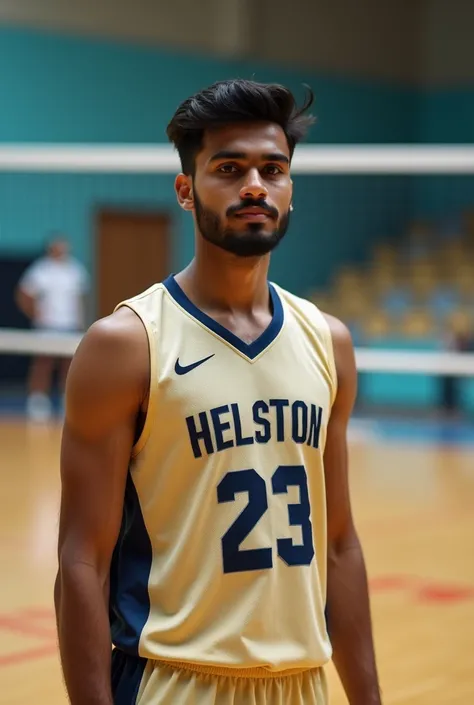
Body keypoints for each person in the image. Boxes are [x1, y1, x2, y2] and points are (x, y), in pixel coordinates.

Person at [55, 79, 382, 705]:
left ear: (290, 189)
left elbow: (339, 543)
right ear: (186, 189)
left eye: (273, 169)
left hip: (301, 682)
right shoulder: (126, 344)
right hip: (175, 681)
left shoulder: (328, 341)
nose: (254, 186)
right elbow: (81, 563)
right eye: (229, 169)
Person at [15, 236, 89, 421]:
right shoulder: (41, 270)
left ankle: (67, 402)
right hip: (47, 326)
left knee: (69, 365)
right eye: (58, 247)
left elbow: (81, 298)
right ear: (51, 249)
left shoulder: (75, 270)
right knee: (43, 363)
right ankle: (38, 402)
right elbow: (23, 294)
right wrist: (36, 314)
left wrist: (81, 322)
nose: (61, 249)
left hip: (70, 326)